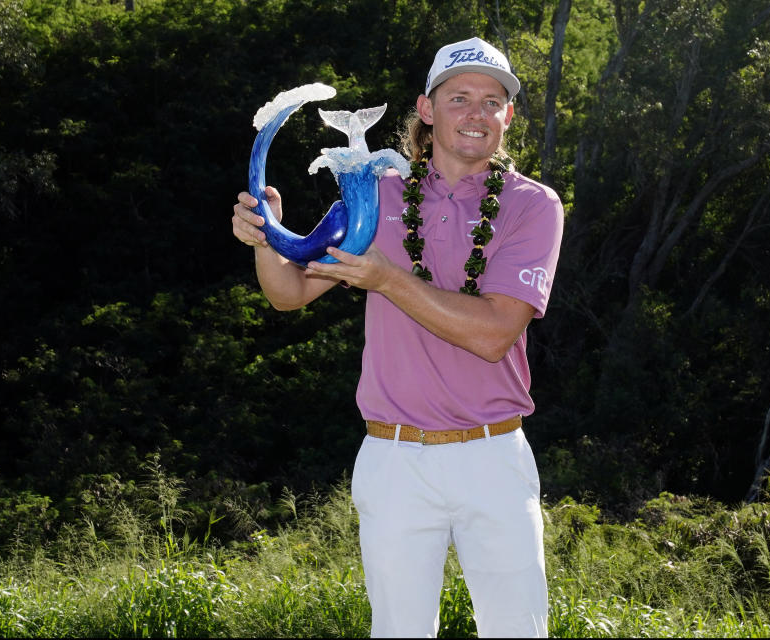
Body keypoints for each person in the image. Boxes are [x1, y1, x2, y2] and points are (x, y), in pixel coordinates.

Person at [231, 36, 564, 638]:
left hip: (494, 454)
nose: (476, 113)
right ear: (427, 109)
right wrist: (262, 237)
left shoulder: (531, 205)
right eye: (459, 97)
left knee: (518, 630)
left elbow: (493, 334)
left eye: (492, 101)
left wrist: (387, 279)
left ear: (507, 117)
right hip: (392, 457)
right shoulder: (375, 192)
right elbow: (290, 291)